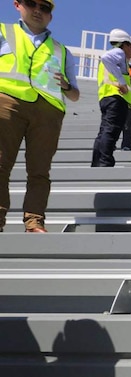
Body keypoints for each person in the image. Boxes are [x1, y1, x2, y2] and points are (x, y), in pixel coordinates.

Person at [0, 0, 79, 233]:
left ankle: (34, 221)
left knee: (40, 170)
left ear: (50, 16)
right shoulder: (4, 32)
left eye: (44, 7)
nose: (37, 10)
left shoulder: (61, 50)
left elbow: (74, 94)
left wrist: (65, 85)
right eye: (31, 3)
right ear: (17, 5)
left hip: (47, 111)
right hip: (8, 102)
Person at [91, 28, 131, 167]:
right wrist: (122, 82)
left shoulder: (118, 58)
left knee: (104, 130)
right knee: (111, 130)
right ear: (125, 44)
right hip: (116, 98)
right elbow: (106, 58)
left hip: (106, 97)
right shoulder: (119, 53)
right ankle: (105, 162)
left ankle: (97, 162)